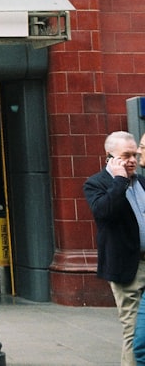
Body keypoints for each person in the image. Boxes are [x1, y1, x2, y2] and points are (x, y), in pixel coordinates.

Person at [84, 131, 145, 366]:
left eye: (135, 154)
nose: (132, 160)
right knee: (134, 332)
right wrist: (119, 181)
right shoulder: (96, 183)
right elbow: (104, 213)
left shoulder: (141, 182)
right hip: (127, 269)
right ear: (110, 157)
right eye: (126, 155)